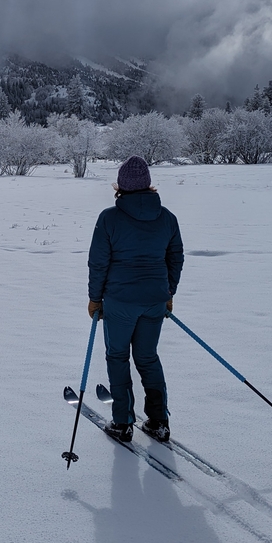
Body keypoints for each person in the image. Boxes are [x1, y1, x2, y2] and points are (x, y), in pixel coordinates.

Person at [87, 155, 184, 443]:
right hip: (154, 300)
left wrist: (95, 299)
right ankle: (158, 420)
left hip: (119, 302)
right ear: (148, 185)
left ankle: (123, 422)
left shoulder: (109, 218)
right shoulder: (167, 218)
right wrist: (168, 292)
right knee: (147, 357)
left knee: (117, 356)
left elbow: (98, 263)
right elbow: (175, 258)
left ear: (121, 186)